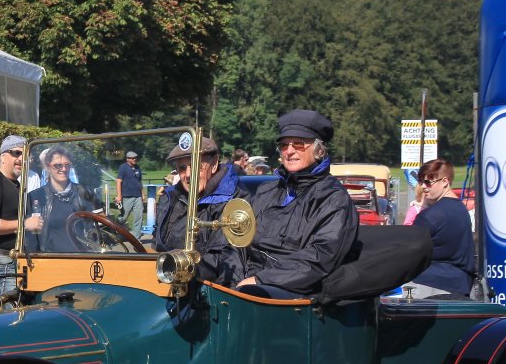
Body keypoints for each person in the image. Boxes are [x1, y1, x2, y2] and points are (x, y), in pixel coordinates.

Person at [236, 110, 357, 298]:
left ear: (319, 150)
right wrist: (231, 279)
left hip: (292, 293)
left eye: (298, 143)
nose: (290, 151)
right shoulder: (265, 191)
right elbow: (236, 241)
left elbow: (321, 256)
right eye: (284, 145)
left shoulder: (334, 198)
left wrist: (261, 280)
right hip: (244, 285)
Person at [152, 136, 244, 285]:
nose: (188, 175)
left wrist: (176, 270)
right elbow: (156, 245)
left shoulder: (234, 202)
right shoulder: (170, 198)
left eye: (196, 166)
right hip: (164, 280)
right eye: (182, 168)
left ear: (214, 164)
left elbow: (224, 259)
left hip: (204, 287)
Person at [0, 134, 42, 299]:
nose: (21, 159)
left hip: (17, 260)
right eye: (16, 153)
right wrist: (24, 224)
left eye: (25, 155)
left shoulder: (16, 185)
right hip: (3, 262)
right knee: (8, 311)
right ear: (3, 157)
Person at [403, 158, 474, 298]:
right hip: (460, 284)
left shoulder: (429, 216)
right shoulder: (461, 209)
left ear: (445, 182)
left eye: (428, 182)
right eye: (420, 182)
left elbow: (408, 251)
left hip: (428, 284)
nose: (423, 187)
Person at [24, 147, 103, 253]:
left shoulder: (86, 193)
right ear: (48, 167)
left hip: (83, 257)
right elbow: (30, 237)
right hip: (49, 258)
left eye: (67, 165)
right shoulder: (35, 197)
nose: (64, 169)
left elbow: (99, 229)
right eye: (58, 165)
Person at [115, 150, 144, 233]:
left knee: (139, 217)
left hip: (137, 196)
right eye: (132, 158)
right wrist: (119, 196)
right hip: (127, 196)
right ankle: (116, 229)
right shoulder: (123, 167)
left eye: (135, 158)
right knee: (123, 217)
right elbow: (118, 181)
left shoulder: (137, 167)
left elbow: (139, 182)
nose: (135, 159)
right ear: (127, 159)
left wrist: (142, 194)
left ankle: (136, 237)